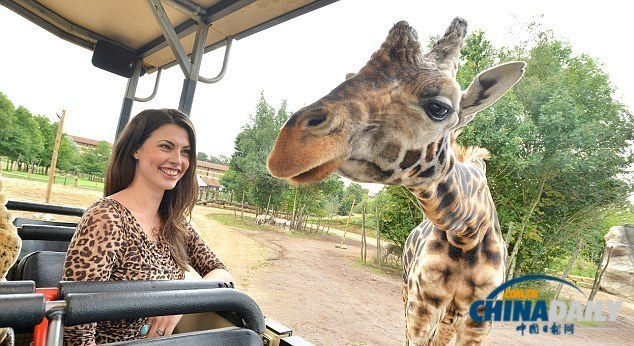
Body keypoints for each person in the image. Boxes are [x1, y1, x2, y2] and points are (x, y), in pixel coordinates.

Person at [62, 109, 232, 345]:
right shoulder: (106, 218)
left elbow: (220, 271)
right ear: (136, 149)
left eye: (185, 152)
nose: (177, 160)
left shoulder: (175, 222)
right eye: (166, 146)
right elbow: (76, 328)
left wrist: (181, 302)